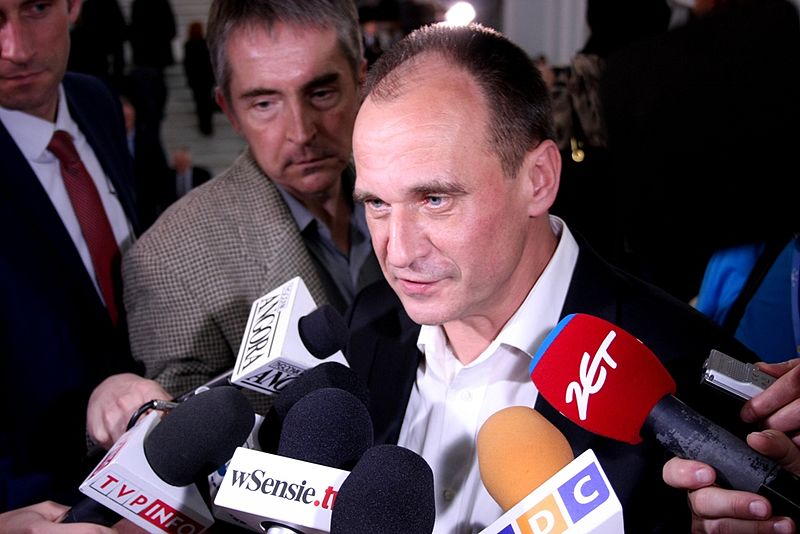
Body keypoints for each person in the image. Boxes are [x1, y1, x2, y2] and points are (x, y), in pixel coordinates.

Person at [345, 22, 797, 532]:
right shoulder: (368, 323)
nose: (399, 252)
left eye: (434, 199)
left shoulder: (694, 378)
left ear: (538, 180)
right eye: (376, 203)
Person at [86, 0, 382, 449]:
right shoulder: (168, 260)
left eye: (321, 93)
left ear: (361, 78)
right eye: (264, 103)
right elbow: (189, 459)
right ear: (228, 109)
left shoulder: (417, 188)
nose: (302, 131)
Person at [0, 0, 140, 511]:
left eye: (36, 8)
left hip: (150, 466)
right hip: (36, 498)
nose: (15, 49)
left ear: (74, 5)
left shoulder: (94, 100)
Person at [183, 20, 216, 136]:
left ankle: (203, 125)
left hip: (196, 80)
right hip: (206, 79)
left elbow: (187, 64)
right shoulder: (206, 44)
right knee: (206, 102)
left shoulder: (189, 45)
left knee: (200, 103)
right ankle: (208, 125)